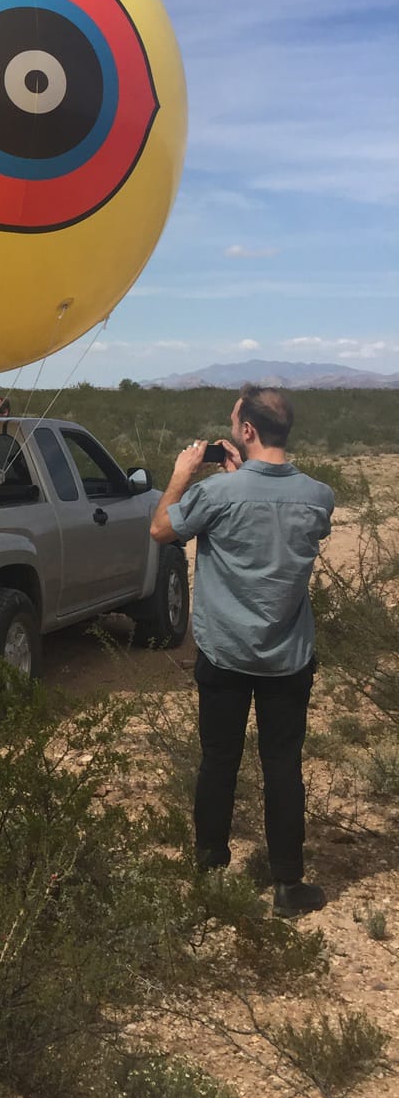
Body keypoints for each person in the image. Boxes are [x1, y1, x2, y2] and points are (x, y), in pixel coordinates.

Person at [151, 385, 334, 917]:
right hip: (289, 655)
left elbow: (161, 530)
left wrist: (184, 475)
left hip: (224, 651)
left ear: (247, 431)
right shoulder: (318, 496)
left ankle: (210, 870)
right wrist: (241, 483)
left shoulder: (215, 497)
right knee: (283, 765)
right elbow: (269, 525)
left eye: (235, 423)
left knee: (218, 761)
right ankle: (287, 884)